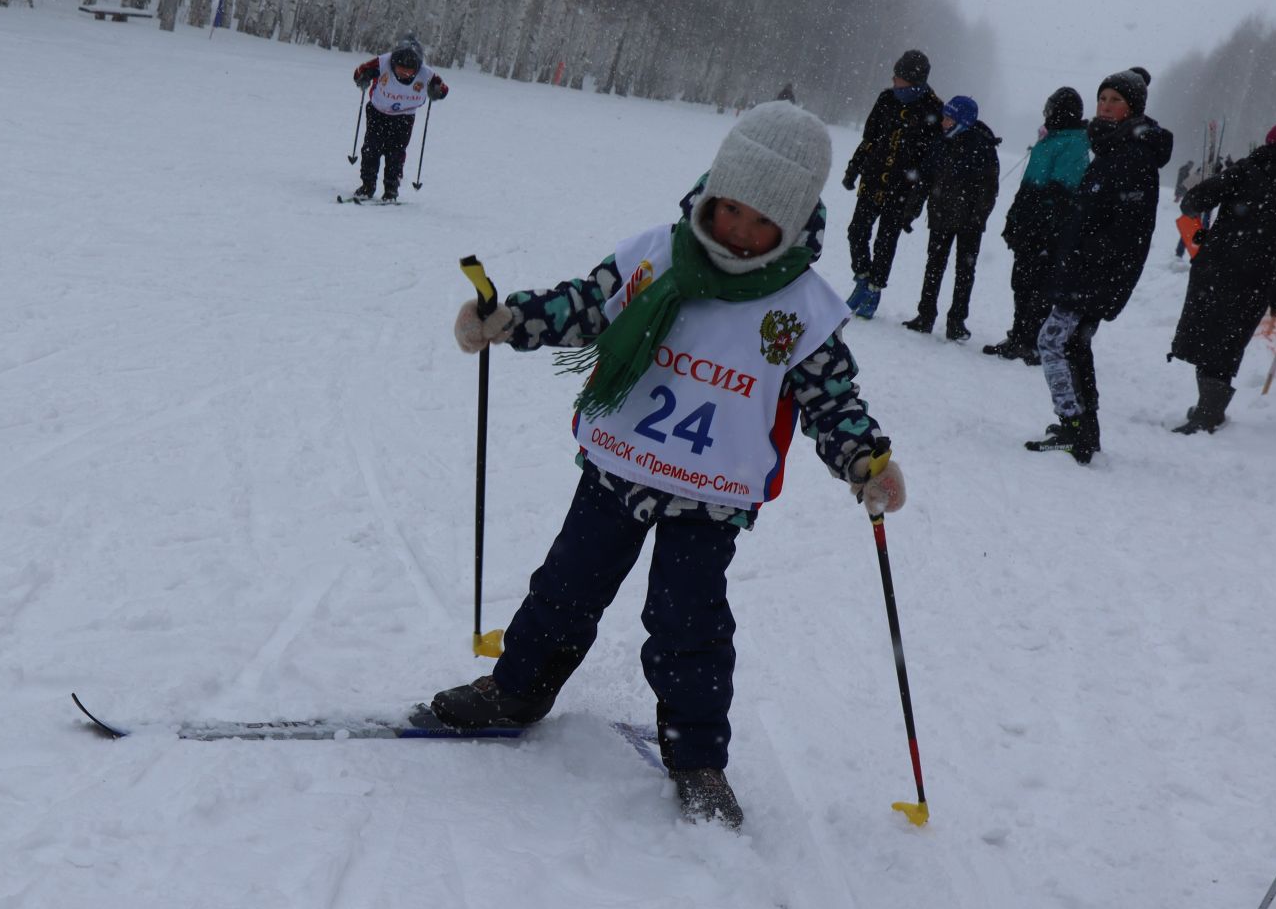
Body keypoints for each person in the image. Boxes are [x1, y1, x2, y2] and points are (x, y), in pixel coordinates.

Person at [429, 103, 905, 828]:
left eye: (761, 222)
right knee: (565, 589)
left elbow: (831, 398)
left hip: (711, 496)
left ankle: (697, 756)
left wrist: (864, 461)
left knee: (688, 623)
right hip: (618, 466)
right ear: (710, 192)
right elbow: (584, 307)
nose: (740, 232)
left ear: (795, 224)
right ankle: (517, 689)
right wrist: (511, 320)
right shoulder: (653, 256)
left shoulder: (803, 309)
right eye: (730, 210)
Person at [1024, 67, 1173, 463]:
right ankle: (1083, 430)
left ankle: (1075, 425)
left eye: (1115, 101)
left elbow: (1129, 230)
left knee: (1052, 342)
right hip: (1083, 270)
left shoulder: (1132, 157)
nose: (1105, 107)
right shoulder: (1114, 148)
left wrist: (1091, 264)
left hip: (1092, 276)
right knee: (1073, 346)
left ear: (1132, 108)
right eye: (1102, 99)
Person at [1165, 114, 1276, 433]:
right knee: (1228, 343)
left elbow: (1193, 202)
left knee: (1204, 335)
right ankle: (1210, 407)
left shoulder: (1247, 171)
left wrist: (1200, 211)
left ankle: (1208, 412)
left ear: (1271, 143)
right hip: (1259, 280)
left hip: (1217, 268)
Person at [985, 88, 1088, 363]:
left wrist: (1042, 225)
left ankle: (1032, 342)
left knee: (1039, 286)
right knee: (1021, 282)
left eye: (1050, 108)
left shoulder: (1074, 143)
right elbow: (1029, 184)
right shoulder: (1048, 138)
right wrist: (1016, 218)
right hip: (1030, 224)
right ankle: (1018, 335)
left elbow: (1061, 191)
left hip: (1048, 230)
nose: (1046, 113)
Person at [842, 50, 945, 319]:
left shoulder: (933, 108)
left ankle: (874, 290)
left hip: (903, 190)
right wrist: (854, 168)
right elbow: (870, 137)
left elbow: (930, 164)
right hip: (873, 180)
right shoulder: (886, 99)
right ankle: (862, 278)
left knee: (885, 242)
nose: (893, 80)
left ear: (913, 80)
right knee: (857, 231)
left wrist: (916, 202)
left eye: (898, 77)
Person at [904, 95, 1001, 340]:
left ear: (962, 119)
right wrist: (912, 211)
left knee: (964, 272)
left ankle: (956, 321)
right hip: (940, 216)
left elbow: (990, 188)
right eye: (944, 116)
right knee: (934, 266)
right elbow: (925, 179)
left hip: (970, 223)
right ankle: (925, 315)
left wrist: (979, 216)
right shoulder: (940, 143)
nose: (943, 121)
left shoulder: (982, 146)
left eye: (949, 117)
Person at [348, 35, 448, 201]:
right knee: (371, 149)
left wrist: (436, 91)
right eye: (401, 68)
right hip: (378, 112)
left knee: (396, 153)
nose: (405, 73)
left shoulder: (427, 74)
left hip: (404, 117)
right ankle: (367, 186)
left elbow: (443, 90)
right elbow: (360, 72)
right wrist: (362, 78)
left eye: (410, 70)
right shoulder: (382, 63)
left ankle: (391, 190)